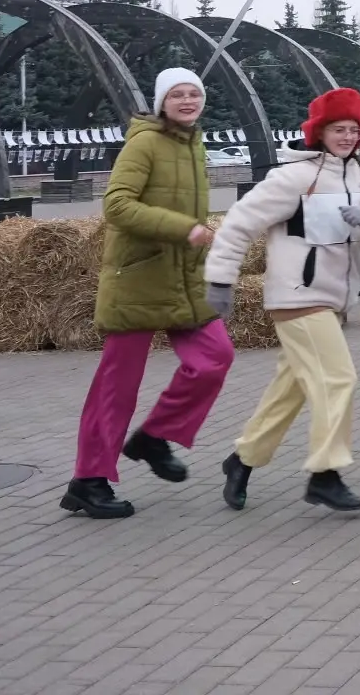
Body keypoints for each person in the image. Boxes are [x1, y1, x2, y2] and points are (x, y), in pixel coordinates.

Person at [209, 88, 360, 514]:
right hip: (297, 297)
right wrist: (220, 280)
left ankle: (242, 459)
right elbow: (239, 223)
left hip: (334, 302)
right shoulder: (293, 178)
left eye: (354, 129)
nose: (348, 137)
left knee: (292, 388)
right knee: (338, 379)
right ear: (320, 132)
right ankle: (325, 474)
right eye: (338, 129)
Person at [62, 69, 235, 519]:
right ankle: (88, 481)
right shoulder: (144, 142)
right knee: (116, 388)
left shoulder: (193, 143)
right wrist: (184, 229)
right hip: (138, 278)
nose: (187, 100)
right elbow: (117, 205)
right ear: (161, 102)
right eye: (177, 94)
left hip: (183, 279)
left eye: (194, 93)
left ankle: (154, 437)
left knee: (215, 357)